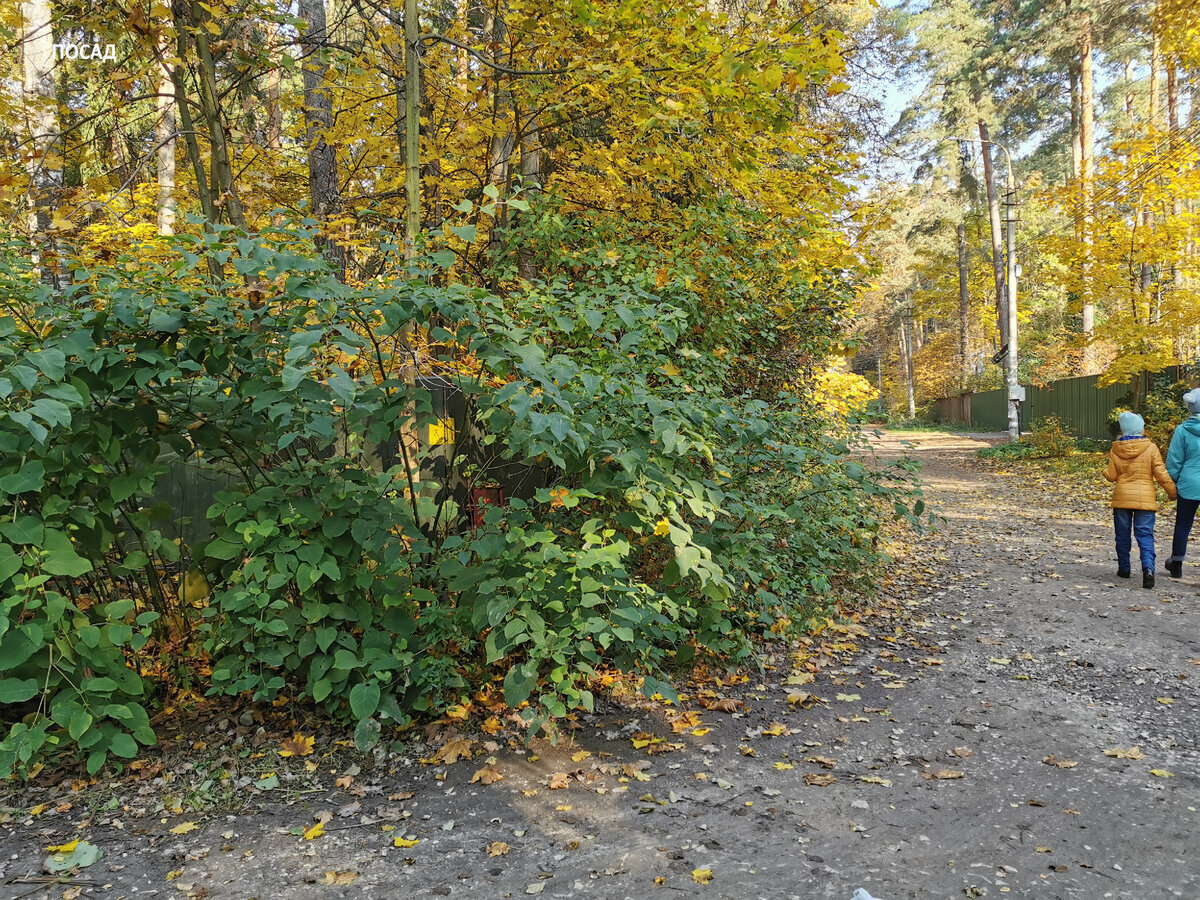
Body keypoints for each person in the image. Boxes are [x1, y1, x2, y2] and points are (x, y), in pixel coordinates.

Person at [1105, 411, 1176, 588]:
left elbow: (1112, 476)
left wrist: (1105, 473)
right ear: (1140, 428)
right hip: (1145, 499)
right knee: (1144, 535)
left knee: (1122, 534)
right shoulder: (1151, 448)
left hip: (1122, 499)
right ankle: (1148, 570)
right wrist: (1172, 492)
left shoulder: (1116, 449)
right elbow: (1161, 474)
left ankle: (1124, 569)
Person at [1164, 388, 1200, 579]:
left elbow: (1174, 460)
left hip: (1189, 484)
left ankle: (1176, 565)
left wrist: (1176, 480)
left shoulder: (1182, 430)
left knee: (1183, 524)